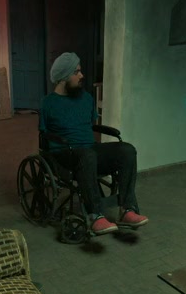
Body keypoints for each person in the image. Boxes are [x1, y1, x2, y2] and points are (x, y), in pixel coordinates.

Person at [40, 52, 148, 235]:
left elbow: (91, 124)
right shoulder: (48, 103)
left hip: (88, 149)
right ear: (64, 76)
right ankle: (95, 215)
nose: (81, 75)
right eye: (77, 72)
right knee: (87, 155)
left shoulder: (86, 98)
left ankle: (127, 209)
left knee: (127, 150)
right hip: (63, 153)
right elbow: (44, 132)